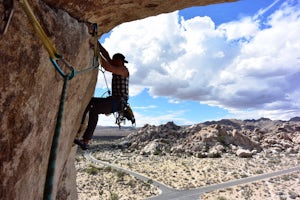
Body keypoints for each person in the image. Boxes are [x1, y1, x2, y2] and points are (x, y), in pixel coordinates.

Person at [74, 43, 130, 150]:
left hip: (118, 102)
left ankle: (86, 140)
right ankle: (81, 125)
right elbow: (107, 55)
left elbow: (107, 66)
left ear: (120, 61)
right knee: (89, 101)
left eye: (115, 61)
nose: (113, 62)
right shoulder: (117, 66)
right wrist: (97, 43)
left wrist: (96, 52)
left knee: (94, 110)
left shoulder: (123, 70)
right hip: (114, 100)